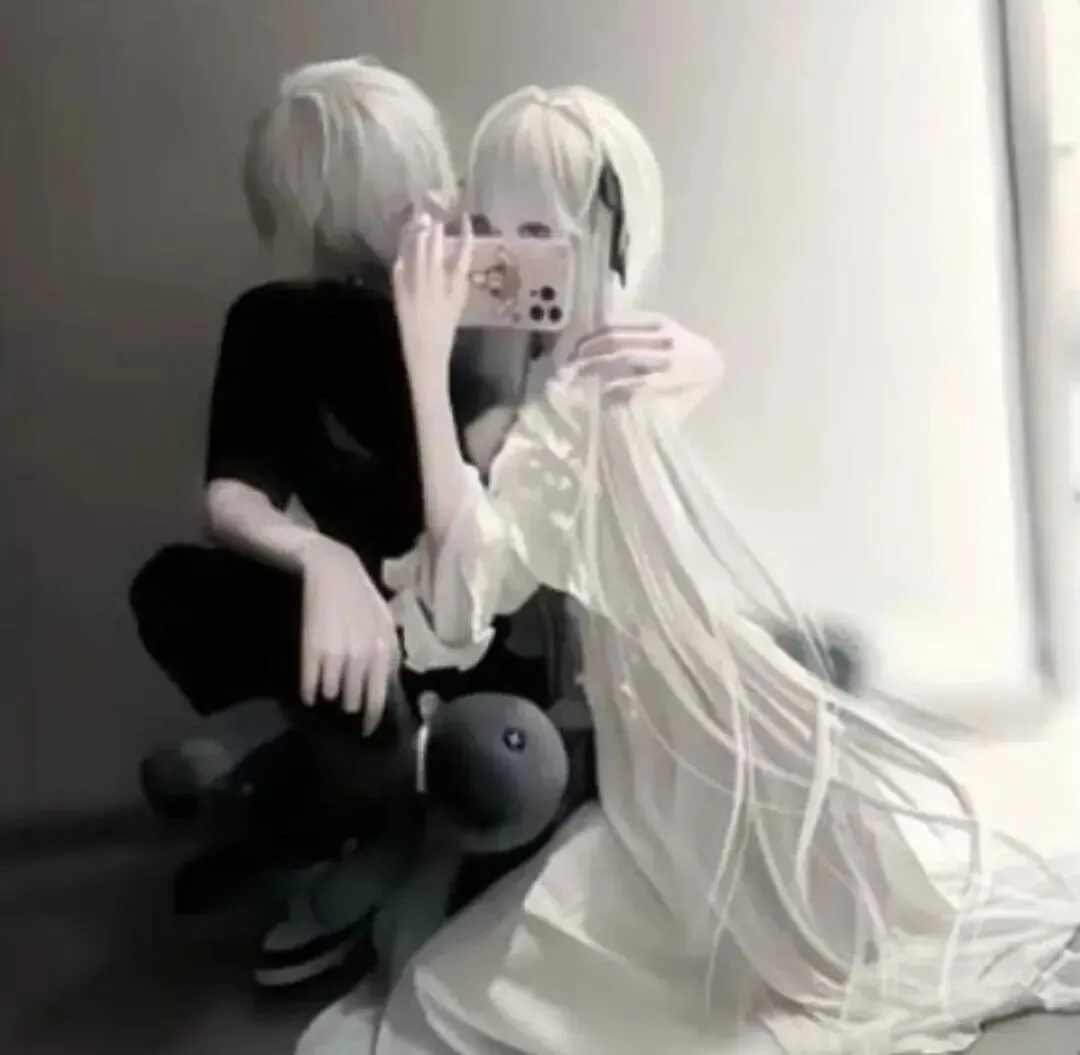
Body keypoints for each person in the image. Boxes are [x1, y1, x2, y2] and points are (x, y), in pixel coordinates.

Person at [304, 85, 1080, 1054]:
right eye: (491, 224)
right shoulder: (583, 373)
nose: (508, 255)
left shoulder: (580, 400)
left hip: (671, 723)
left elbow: (462, 600)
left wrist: (422, 364)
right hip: (681, 701)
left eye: (538, 230)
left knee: (489, 985)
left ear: (597, 235)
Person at [129, 58, 597, 989]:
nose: (423, 205)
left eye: (423, 176)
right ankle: (334, 782)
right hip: (361, 626)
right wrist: (321, 559)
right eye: (382, 194)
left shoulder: (481, 296)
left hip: (470, 612)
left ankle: (358, 799)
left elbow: (505, 494)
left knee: (478, 678)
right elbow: (232, 491)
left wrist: (516, 352)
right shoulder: (278, 320)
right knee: (176, 586)